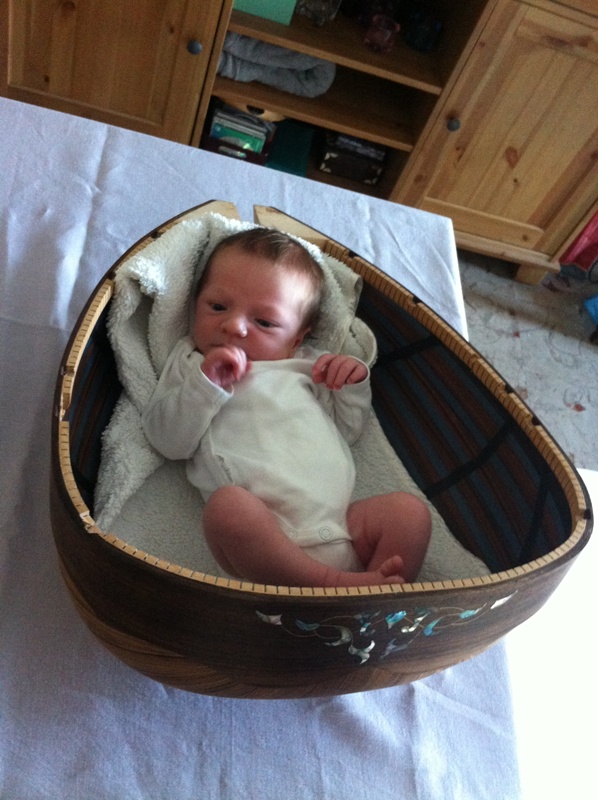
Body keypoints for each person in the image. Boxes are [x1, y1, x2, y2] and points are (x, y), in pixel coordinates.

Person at [141, 228, 431, 587]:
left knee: (409, 513)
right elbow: (166, 441)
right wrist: (206, 385)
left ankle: (381, 596)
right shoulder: (191, 365)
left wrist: (350, 386)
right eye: (217, 307)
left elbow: (347, 431)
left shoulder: (306, 366)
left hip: (341, 529)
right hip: (265, 536)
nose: (233, 326)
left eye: (264, 322)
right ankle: (330, 584)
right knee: (227, 508)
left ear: (296, 338)